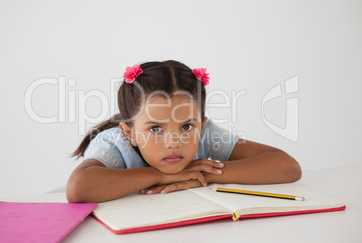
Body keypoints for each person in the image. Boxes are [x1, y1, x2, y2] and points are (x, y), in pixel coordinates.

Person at [66, 60, 301, 203]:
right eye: (156, 128)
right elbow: (78, 188)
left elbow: (288, 167)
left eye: (187, 126)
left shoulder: (206, 134)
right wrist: (162, 176)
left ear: (201, 124)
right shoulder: (114, 143)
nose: (173, 142)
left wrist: (203, 175)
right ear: (131, 133)